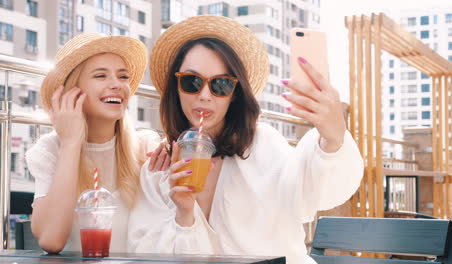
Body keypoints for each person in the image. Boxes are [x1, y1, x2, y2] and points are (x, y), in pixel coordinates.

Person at [128, 15, 364, 264]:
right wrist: (184, 214)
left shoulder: (264, 144)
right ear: (176, 89)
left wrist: (333, 137)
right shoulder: (159, 171)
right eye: (192, 82)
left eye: (220, 85)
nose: (205, 95)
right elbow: (145, 254)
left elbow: (315, 192)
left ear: (234, 94)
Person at [26, 33, 161, 253]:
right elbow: (51, 240)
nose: (116, 85)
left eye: (123, 76)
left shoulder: (146, 147)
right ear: (73, 91)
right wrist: (71, 143)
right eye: (101, 76)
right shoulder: (50, 150)